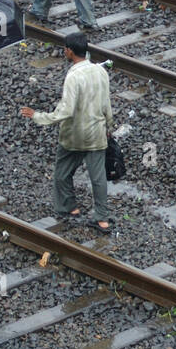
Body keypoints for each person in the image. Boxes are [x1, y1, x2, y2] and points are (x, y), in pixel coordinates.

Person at [20, 32, 114, 230]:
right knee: (98, 177)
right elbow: (107, 105)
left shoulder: (73, 76)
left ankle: (69, 207)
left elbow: (66, 110)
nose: (64, 51)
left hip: (75, 134)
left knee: (62, 172)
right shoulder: (100, 71)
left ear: (70, 51)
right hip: (97, 131)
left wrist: (39, 116)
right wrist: (108, 126)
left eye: (65, 49)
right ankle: (102, 219)